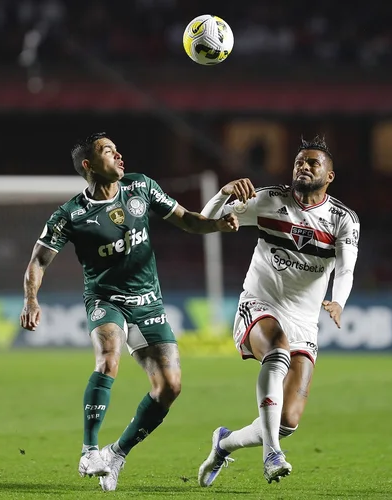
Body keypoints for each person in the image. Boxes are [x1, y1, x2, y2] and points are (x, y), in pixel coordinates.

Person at [19, 132, 238, 492]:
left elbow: (186, 219)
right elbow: (38, 262)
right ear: (89, 166)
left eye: (118, 148)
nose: (119, 154)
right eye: (108, 151)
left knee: (170, 386)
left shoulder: (141, 188)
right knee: (108, 359)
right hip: (106, 299)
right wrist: (31, 300)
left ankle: (117, 453)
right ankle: (89, 450)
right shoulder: (71, 214)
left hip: (148, 300)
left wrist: (217, 223)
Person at [197, 135, 360, 485]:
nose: (303, 166)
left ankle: (225, 442)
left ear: (329, 175)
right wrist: (224, 193)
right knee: (277, 350)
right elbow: (205, 221)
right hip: (260, 304)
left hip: (305, 321)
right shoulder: (270, 199)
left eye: (313, 162)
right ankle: (272, 454)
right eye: (299, 161)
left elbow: (346, 268)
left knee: (288, 420)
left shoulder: (343, 219)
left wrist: (338, 301)